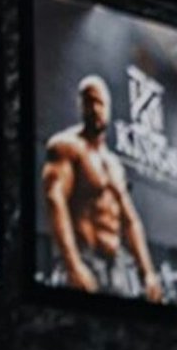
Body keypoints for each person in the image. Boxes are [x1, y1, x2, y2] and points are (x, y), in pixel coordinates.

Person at [41, 73, 163, 300]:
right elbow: (54, 200)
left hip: (115, 263)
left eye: (99, 102)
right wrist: (73, 264)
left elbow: (131, 221)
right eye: (89, 102)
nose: (95, 108)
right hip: (84, 257)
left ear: (108, 107)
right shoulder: (67, 147)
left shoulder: (115, 165)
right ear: (80, 105)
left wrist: (148, 273)